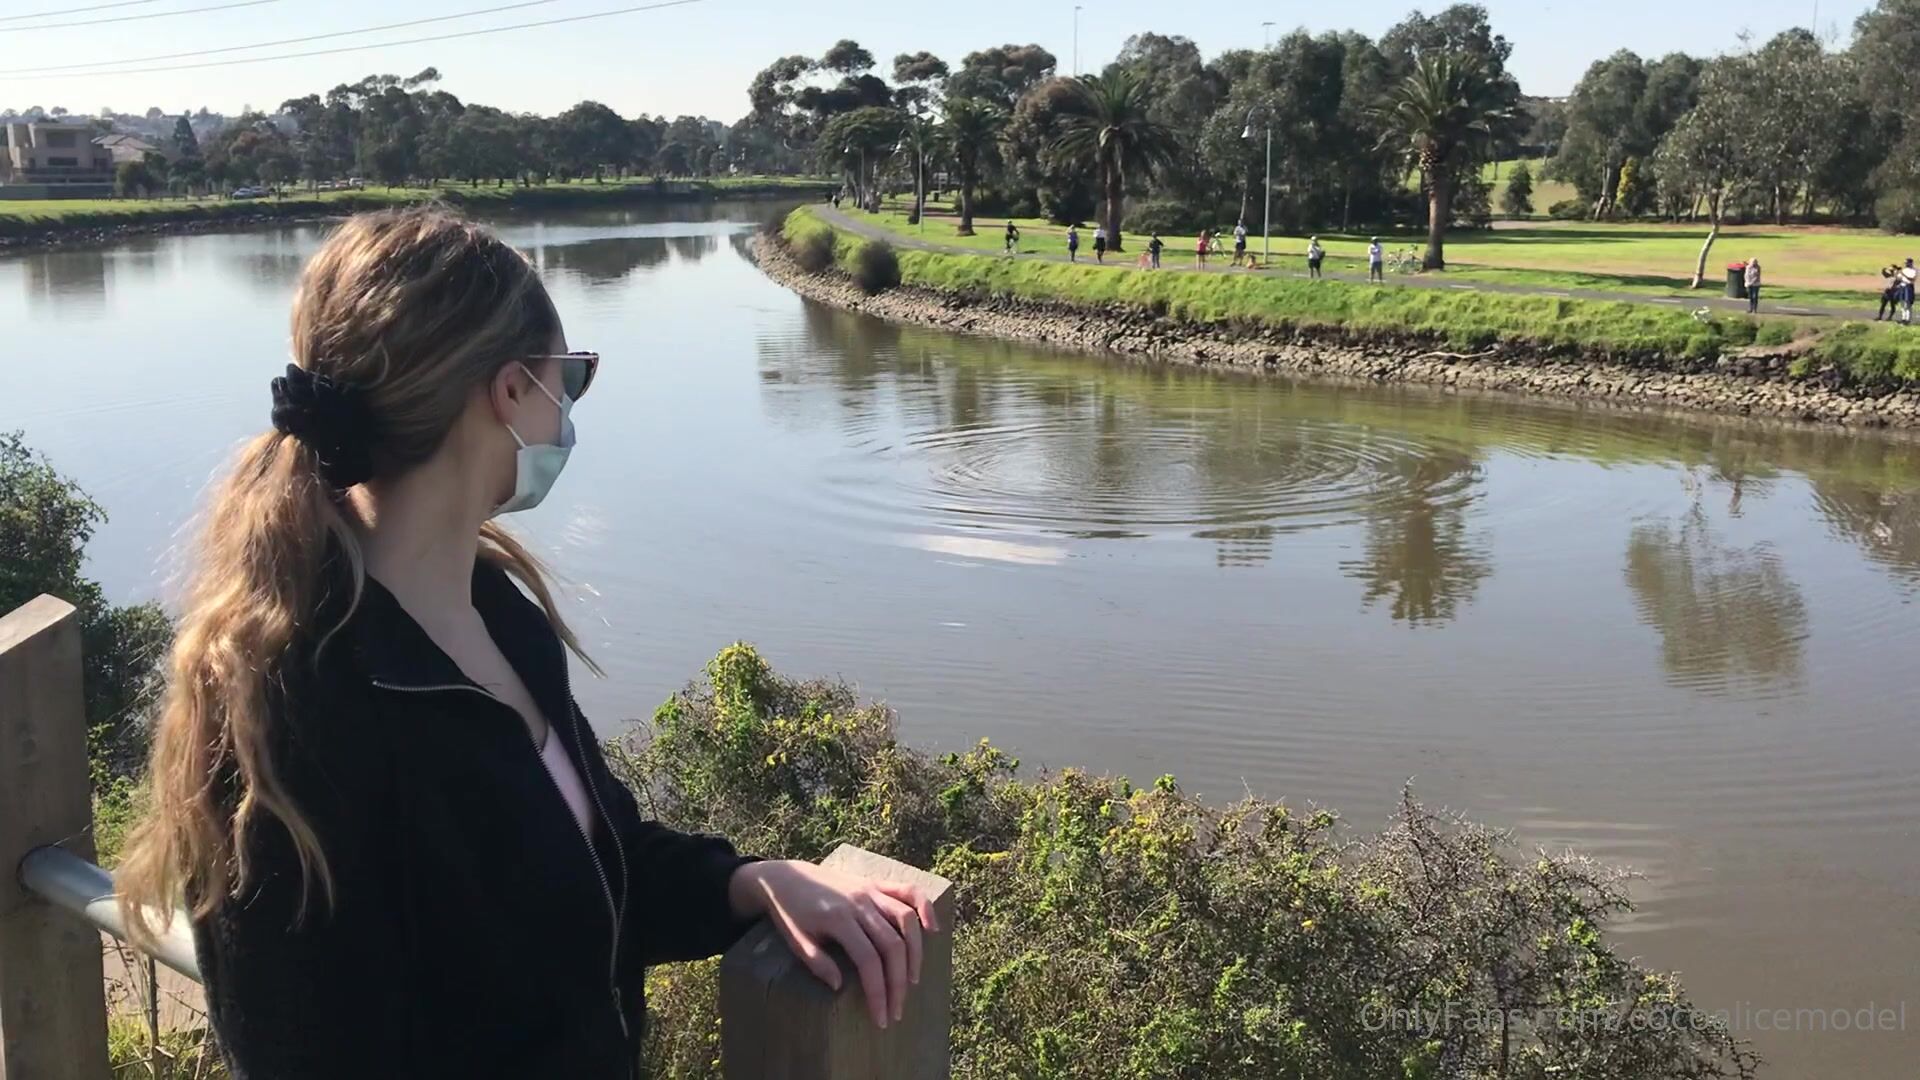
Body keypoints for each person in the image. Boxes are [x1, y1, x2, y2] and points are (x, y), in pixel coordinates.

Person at [114, 208, 938, 1078]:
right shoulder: (301, 704)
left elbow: (593, 865)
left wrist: (751, 881)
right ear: (509, 392)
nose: (569, 411)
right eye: (569, 379)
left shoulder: (494, 608)